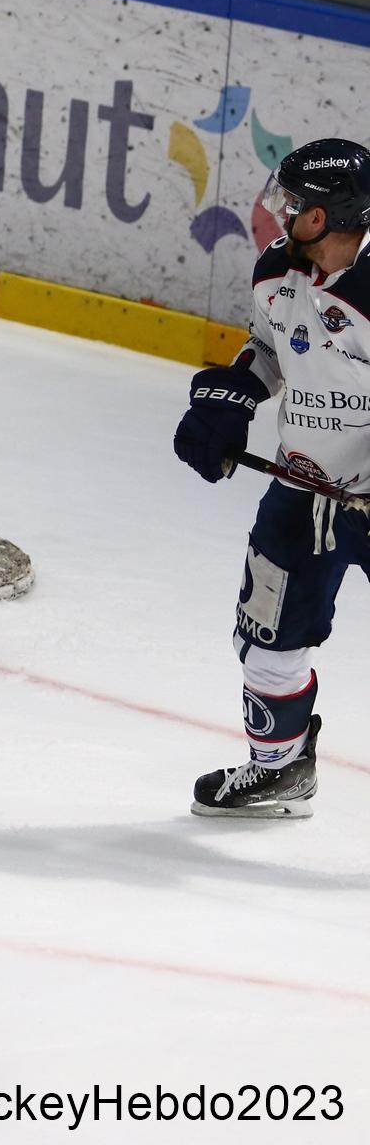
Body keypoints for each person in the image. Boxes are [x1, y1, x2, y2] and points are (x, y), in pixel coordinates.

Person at [173, 137, 370, 818]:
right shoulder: (275, 272)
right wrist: (231, 400)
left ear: (325, 214)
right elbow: (268, 347)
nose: (280, 212)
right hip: (300, 490)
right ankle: (280, 771)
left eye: (294, 203)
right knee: (268, 641)